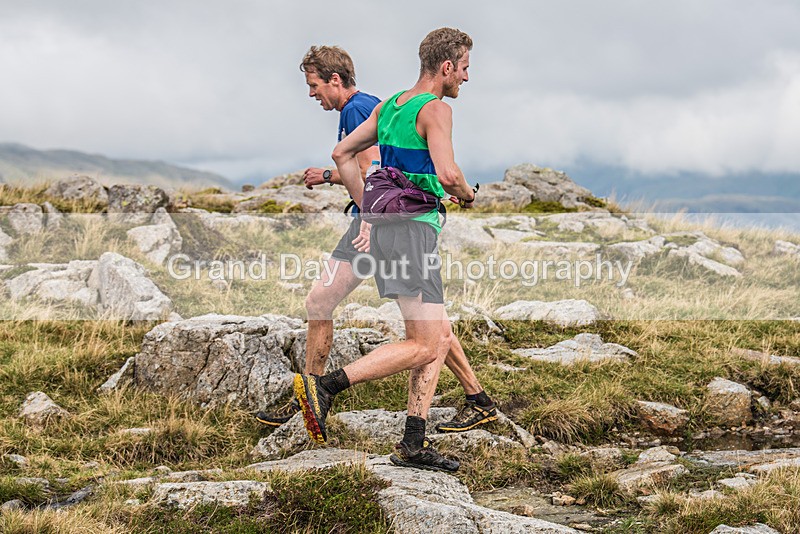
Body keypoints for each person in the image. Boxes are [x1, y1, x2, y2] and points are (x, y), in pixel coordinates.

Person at [256, 44, 497, 437]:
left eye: (314, 85)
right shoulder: (409, 107)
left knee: (422, 330)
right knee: (424, 331)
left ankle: (318, 392)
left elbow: (366, 165)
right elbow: (418, 169)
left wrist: (367, 212)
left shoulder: (371, 107)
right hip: (394, 221)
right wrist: (458, 192)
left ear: (335, 80)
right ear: (449, 66)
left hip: (377, 222)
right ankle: (320, 392)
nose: (312, 93)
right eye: (466, 68)